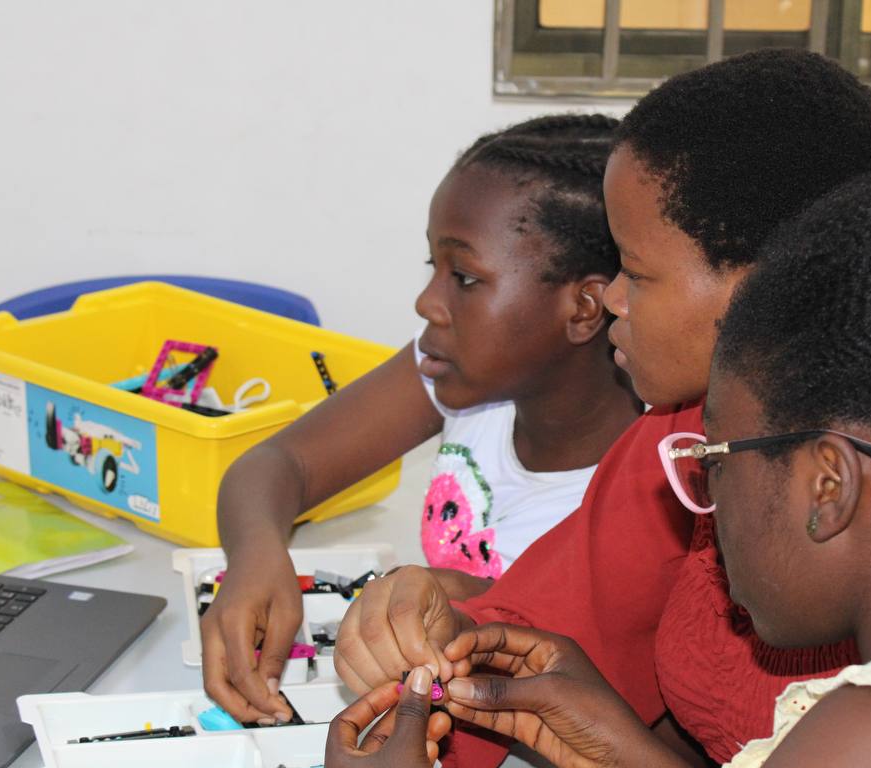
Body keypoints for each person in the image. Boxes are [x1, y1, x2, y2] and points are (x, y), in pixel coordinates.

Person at [332, 49, 871, 768]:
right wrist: (434, 635)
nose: (609, 298)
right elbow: (557, 623)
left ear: (769, 290)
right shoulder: (685, 439)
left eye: (634, 270)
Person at [202, 114, 641, 724]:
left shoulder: (653, 482)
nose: (428, 302)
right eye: (432, 266)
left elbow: (579, 657)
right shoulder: (459, 372)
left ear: (584, 308)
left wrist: (460, 602)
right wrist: (256, 558)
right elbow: (278, 464)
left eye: (464, 277)